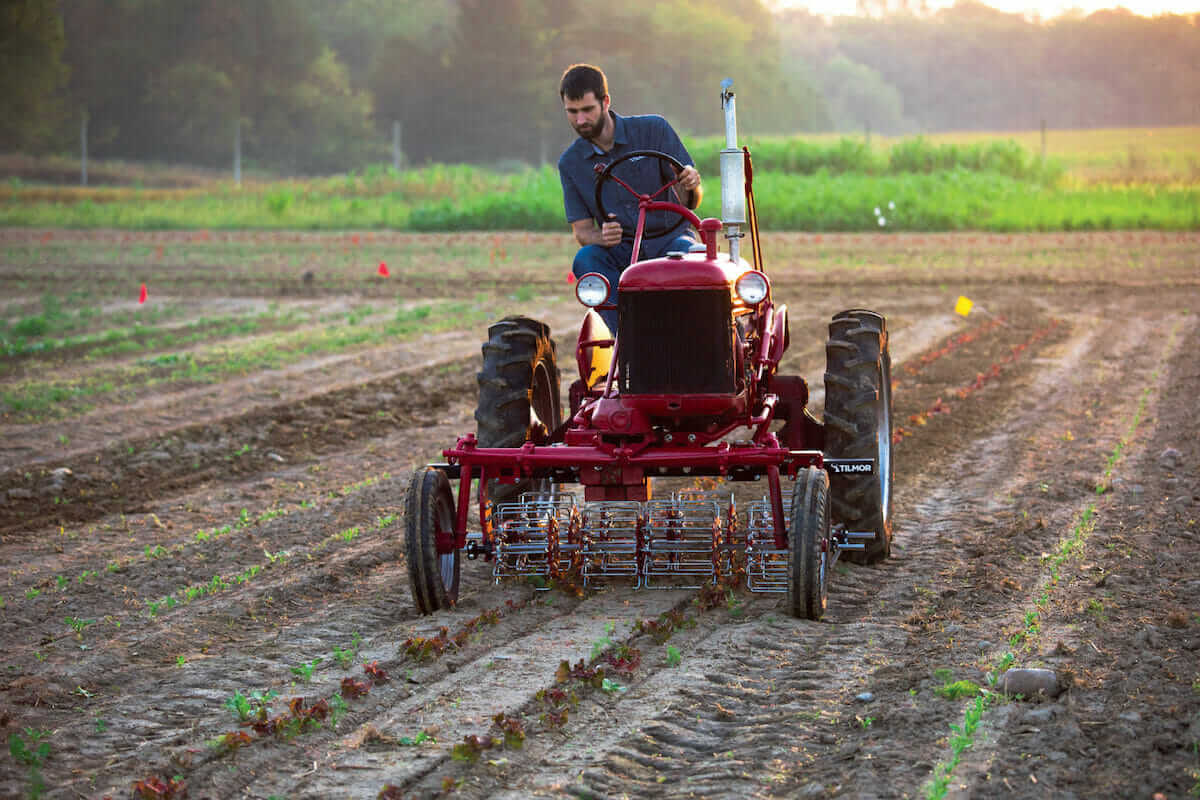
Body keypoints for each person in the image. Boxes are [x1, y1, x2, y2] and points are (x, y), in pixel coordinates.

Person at [557, 63, 703, 332]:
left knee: (695, 264)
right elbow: (583, 231)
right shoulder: (571, 163)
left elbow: (690, 202)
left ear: (605, 101)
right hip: (621, 250)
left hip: (670, 241)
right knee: (586, 259)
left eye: (587, 110)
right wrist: (603, 237)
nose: (580, 120)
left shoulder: (653, 130)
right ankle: (628, 335)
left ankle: (693, 334)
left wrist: (690, 182)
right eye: (572, 112)